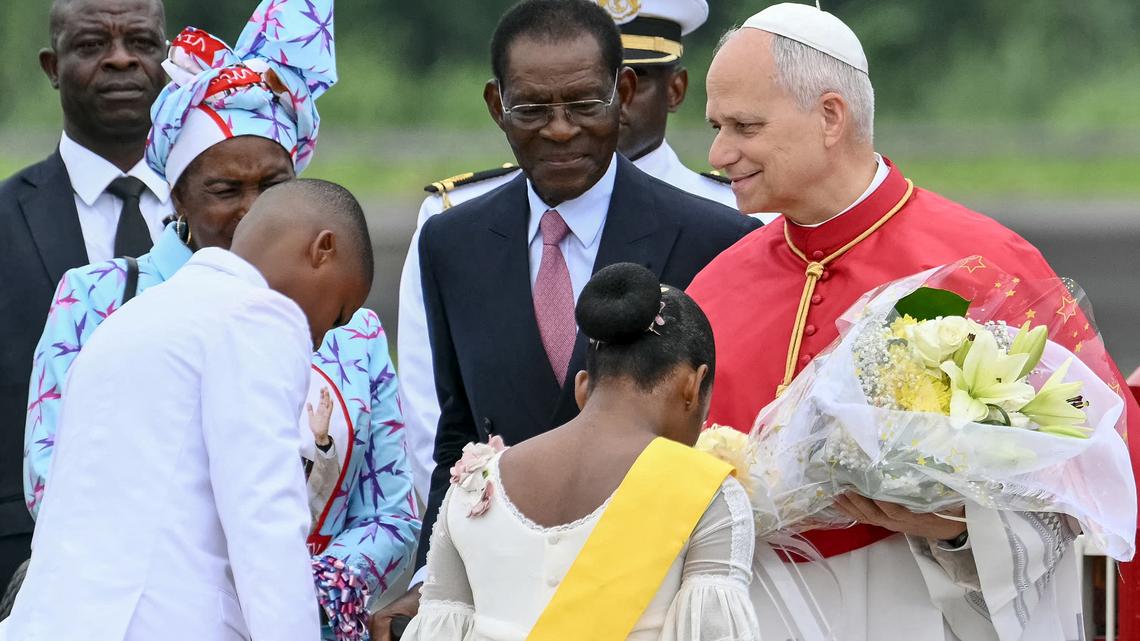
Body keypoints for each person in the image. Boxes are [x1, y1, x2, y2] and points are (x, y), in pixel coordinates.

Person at [688, 4, 1140, 641]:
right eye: (716, 126)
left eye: (744, 126)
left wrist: (959, 523)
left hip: (925, 612)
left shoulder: (985, 264)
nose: (718, 152)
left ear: (829, 117)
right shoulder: (715, 286)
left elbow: (1098, 461)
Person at [22, 0, 419, 632]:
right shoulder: (107, 298)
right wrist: (252, 577)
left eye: (274, 186)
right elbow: (56, 477)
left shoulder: (350, 326)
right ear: (176, 193)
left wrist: (322, 585)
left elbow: (392, 510)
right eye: (226, 191)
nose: (252, 211)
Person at [372, 1, 759, 636]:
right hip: (508, 594)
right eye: (532, 109)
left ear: (625, 92)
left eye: (584, 105)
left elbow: (730, 425)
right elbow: (458, 433)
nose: (559, 130)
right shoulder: (453, 242)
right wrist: (433, 582)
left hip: (648, 593)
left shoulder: (713, 237)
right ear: (497, 106)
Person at [2, 179, 374, 641]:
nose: (320, 339)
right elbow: (265, 519)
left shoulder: (131, 318)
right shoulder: (258, 317)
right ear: (323, 249)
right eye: (338, 313)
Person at [390, 263, 759, 641]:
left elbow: (437, 629)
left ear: (582, 388)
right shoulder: (706, 494)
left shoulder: (473, 485)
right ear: (692, 387)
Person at [0, 0, 168, 588]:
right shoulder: (3, 220)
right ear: (52, 64)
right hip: (26, 569)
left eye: (142, 43)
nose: (121, 60)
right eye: (93, 44)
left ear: (168, 56)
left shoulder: (235, 215)